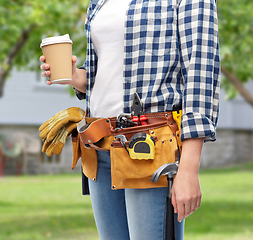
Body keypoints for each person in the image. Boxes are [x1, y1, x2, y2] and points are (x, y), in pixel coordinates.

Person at [40, 0, 220, 239]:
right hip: (99, 147)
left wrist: (188, 169)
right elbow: (103, 72)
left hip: (150, 148)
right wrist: (75, 77)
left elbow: (201, 72)